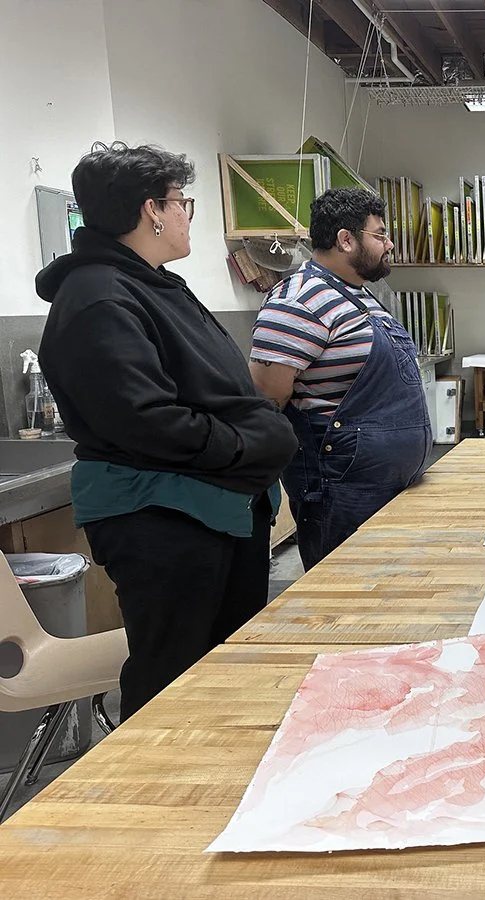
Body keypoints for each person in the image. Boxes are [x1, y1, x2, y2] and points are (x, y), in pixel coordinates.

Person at [34, 142, 298, 721]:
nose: (186, 216)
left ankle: (223, 786)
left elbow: (213, 388)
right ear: (153, 209)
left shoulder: (154, 283)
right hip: (168, 522)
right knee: (175, 681)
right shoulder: (98, 297)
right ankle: (161, 798)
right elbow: (146, 420)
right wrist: (249, 446)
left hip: (217, 509)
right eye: (184, 203)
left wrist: (259, 437)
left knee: (224, 671)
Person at [250, 187, 431, 570]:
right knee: (345, 596)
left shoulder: (361, 295)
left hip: (386, 486)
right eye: (379, 234)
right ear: (346, 240)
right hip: (339, 491)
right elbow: (267, 401)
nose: (390, 244)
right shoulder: (298, 301)